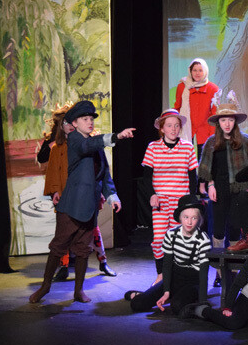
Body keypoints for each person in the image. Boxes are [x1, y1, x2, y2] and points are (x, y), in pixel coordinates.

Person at [29, 101, 135, 304]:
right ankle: (45, 287)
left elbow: (104, 174)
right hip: (71, 206)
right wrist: (117, 136)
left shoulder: (95, 145)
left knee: (83, 249)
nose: (90, 122)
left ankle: (79, 290)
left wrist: (112, 196)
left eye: (91, 119)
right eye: (85, 119)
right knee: (58, 247)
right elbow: (87, 146)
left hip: (89, 206)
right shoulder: (76, 140)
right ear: (75, 124)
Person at [39, 103, 116, 280]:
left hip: (86, 196)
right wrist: (55, 191)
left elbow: (99, 171)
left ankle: (102, 260)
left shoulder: (88, 144)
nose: (70, 126)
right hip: (67, 196)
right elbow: (53, 171)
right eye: (66, 123)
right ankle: (64, 266)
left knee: (92, 230)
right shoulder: (58, 147)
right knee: (64, 233)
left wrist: (103, 193)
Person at [125, 195, 211, 315]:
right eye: (186, 217)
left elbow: (203, 273)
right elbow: (167, 265)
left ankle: (182, 298)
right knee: (137, 304)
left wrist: (202, 301)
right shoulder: (171, 234)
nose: (189, 222)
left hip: (193, 282)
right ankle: (142, 295)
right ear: (180, 217)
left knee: (177, 306)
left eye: (194, 218)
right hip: (174, 279)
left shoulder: (203, 239)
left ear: (199, 219)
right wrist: (166, 291)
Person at [141, 109, 198, 284]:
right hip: (161, 200)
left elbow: (192, 177)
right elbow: (146, 177)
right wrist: (152, 194)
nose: (173, 129)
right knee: (159, 239)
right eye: (169, 125)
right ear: (162, 128)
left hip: (180, 201)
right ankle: (161, 274)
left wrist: (191, 201)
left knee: (179, 240)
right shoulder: (153, 147)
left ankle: (177, 275)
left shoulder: (187, 147)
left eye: (176, 125)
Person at [198, 91, 248, 251]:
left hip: (239, 188)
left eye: (230, 120)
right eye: (223, 120)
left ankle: (234, 262)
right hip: (219, 187)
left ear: (235, 121)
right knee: (218, 225)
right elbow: (206, 167)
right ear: (218, 122)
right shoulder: (211, 142)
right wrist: (210, 185)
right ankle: (218, 262)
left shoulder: (245, 141)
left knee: (235, 225)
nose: (227, 124)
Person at [174, 58, 219, 154]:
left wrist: (212, 134)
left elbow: (214, 114)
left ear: (205, 71)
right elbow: (177, 107)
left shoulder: (213, 88)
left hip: (205, 130)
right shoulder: (182, 86)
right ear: (190, 71)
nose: (197, 73)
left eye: (200, 70)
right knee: (185, 158)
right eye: (194, 70)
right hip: (185, 128)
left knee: (204, 159)